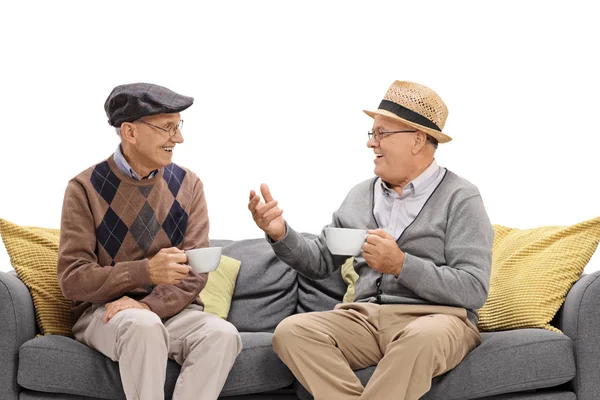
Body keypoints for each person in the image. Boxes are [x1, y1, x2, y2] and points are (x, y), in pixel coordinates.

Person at [248, 80, 494, 400]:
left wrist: (401, 265)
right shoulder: (361, 195)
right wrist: (279, 232)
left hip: (436, 320)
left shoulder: (461, 197)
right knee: (292, 332)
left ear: (417, 140)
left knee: (421, 338)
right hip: (362, 321)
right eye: (372, 133)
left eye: (382, 134)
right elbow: (321, 260)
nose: (371, 143)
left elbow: (473, 289)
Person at [57, 83, 242, 400]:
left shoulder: (188, 185)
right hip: (106, 315)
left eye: (178, 126)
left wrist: (146, 303)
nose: (179, 138)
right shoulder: (85, 187)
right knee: (143, 327)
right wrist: (144, 272)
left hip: (173, 314)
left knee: (223, 334)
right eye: (168, 128)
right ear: (130, 131)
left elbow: (195, 271)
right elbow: (73, 279)